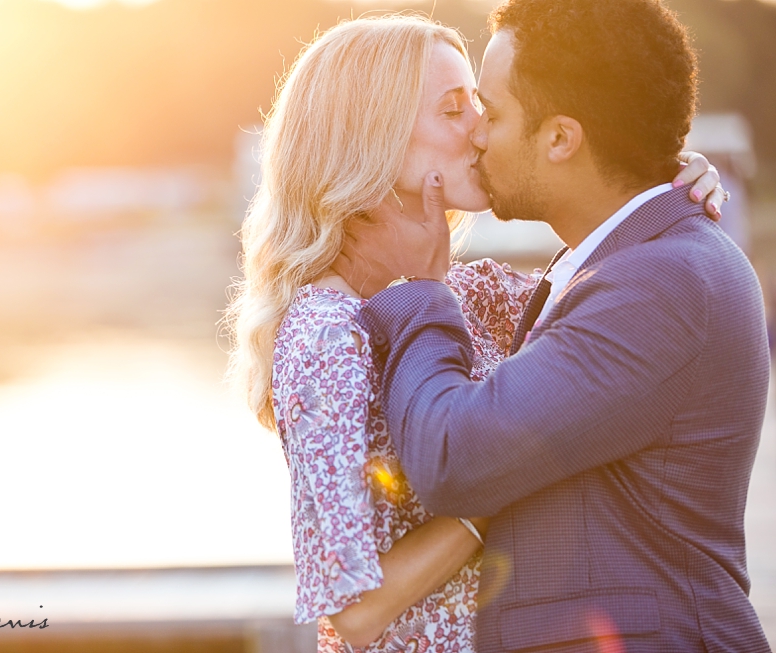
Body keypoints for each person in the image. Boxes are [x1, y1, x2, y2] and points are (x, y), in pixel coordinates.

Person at [225, 12, 727, 653]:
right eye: (453, 108)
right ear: (373, 135)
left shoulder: (473, 289)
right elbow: (352, 613)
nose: (482, 130)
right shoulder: (325, 335)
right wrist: (496, 493)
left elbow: (617, 322)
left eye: (480, 106)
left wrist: (654, 182)